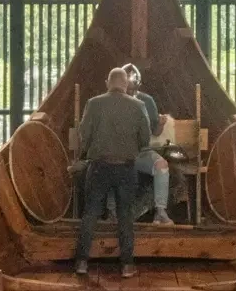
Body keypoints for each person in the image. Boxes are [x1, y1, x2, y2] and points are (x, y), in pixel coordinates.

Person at [74, 67, 150, 277]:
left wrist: (88, 153)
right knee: (126, 215)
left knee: (91, 213)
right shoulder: (139, 106)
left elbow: (84, 134)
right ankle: (126, 265)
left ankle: (82, 262)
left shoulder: (93, 103)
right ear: (126, 84)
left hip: (99, 166)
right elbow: (145, 139)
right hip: (126, 167)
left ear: (108, 82)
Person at [124, 63, 172, 225]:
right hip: (119, 151)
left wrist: (161, 124)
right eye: (126, 88)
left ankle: (160, 211)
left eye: (132, 89)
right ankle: (112, 212)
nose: (130, 92)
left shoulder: (147, 101)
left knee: (161, 165)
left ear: (138, 85)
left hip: (142, 152)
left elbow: (155, 131)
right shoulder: (113, 101)